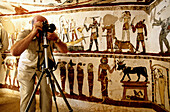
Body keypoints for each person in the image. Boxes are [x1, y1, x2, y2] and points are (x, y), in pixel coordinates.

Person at [10, 15, 68, 112]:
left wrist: (56, 39)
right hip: (26, 68)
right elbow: (14, 52)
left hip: (44, 67)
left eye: (45, 24)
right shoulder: (25, 33)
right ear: (33, 26)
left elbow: (64, 50)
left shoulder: (50, 35)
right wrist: (33, 34)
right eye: (40, 24)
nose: (43, 27)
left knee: (46, 94)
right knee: (27, 94)